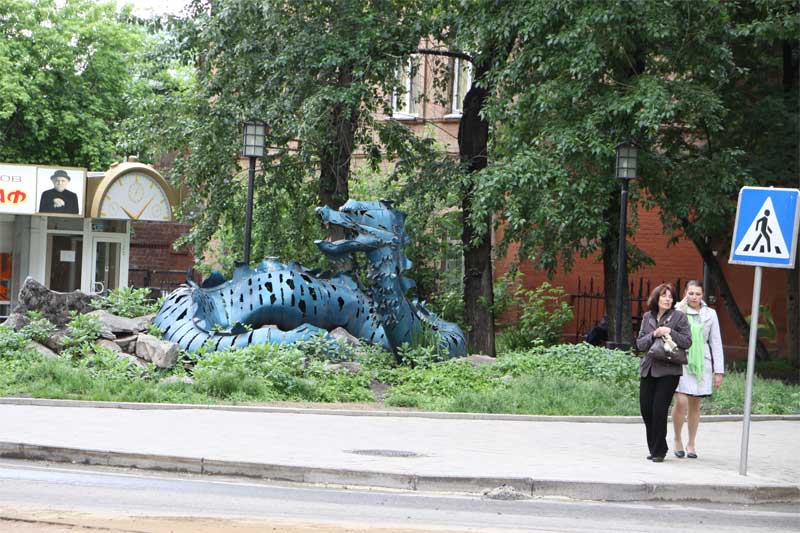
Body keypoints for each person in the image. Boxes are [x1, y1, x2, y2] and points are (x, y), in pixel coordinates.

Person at [635, 283, 691, 462]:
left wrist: (669, 331)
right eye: (664, 296)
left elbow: (687, 341)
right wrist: (654, 334)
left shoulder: (679, 317)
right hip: (649, 368)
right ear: (656, 298)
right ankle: (655, 447)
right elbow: (640, 344)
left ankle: (659, 451)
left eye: (670, 296)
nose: (667, 299)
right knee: (646, 409)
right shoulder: (647, 317)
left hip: (669, 369)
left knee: (659, 409)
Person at [671, 280, 724, 459]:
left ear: (702, 295)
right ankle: (677, 438)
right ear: (685, 293)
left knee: (695, 404)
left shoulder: (710, 314)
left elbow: (716, 342)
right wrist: (681, 309)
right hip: (682, 360)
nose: (694, 297)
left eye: (698, 294)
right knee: (681, 401)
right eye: (691, 293)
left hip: (702, 363)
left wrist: (719, 371)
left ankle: (691, 443)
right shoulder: (678, 310)